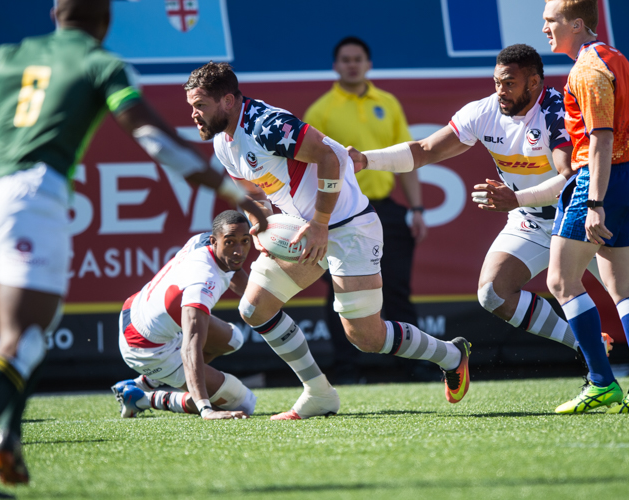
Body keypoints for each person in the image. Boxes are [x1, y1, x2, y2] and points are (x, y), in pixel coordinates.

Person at [0, 1, 265, 496]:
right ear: (107, 18)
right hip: (32, 198)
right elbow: (155, 140)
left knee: (30, 333)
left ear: (54, 12)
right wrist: (237, 194)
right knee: (24, 338)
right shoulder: (100, 63)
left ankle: (9, 436)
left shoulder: (6, 53)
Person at [347, 44, 629, 406]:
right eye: (496, 81)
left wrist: (516, 199)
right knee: (493, 292)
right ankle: (586, 345)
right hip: (528, 220)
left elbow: (570, 177)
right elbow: (426, 149)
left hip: (574, 215)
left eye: (509, 82)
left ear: (534, 82)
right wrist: (366, 160)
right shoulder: (483, 111)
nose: (500, 91)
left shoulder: (557, 111)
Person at [184, 62, 471, 420]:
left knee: (367, 338)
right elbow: (253, 188)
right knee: (254, 308)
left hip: (349, 227)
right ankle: (318, 392)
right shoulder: (223, 142)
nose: (194, 115)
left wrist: (320, 223)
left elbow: (331, 156)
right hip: (303, 228)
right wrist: (260, 222)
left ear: (227, 100)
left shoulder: (266, 125)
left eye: (200, 106)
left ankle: (452, 355)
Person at [540, 0, 629, 413]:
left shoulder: (586, 69)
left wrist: (593, 202)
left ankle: (600, 382)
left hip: (601, 180)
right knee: (623, 284)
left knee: (560, 281)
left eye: (550, 21)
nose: (544, 30)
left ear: (576, 24)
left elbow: (601, 139)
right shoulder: (615, 58)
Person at [303, 37, 428, 383]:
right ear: (336, 66)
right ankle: (346, 370)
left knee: (398, 289)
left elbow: (409, 158)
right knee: (340, 292)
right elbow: (310, 169)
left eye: (358, 59)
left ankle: (414, 366)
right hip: (341, 214)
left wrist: (416, 208)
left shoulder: (387, 103)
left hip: (387, 210)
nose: (352, 65)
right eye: (345, 60)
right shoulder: (320, 110)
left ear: (368, 64)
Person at [109, 211, 257, 420]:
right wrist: (206, 409)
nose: (239, 251)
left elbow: (234, 268)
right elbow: (190, 347)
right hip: (144, 347)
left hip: (140, 309)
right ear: (215, 241)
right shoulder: (203, 281)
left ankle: (145, 382)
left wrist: (260, 300)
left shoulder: (205, 240)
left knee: (234, 339)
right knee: (244, 402)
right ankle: (142, 399)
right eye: (231, 243)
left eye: (245, 241)